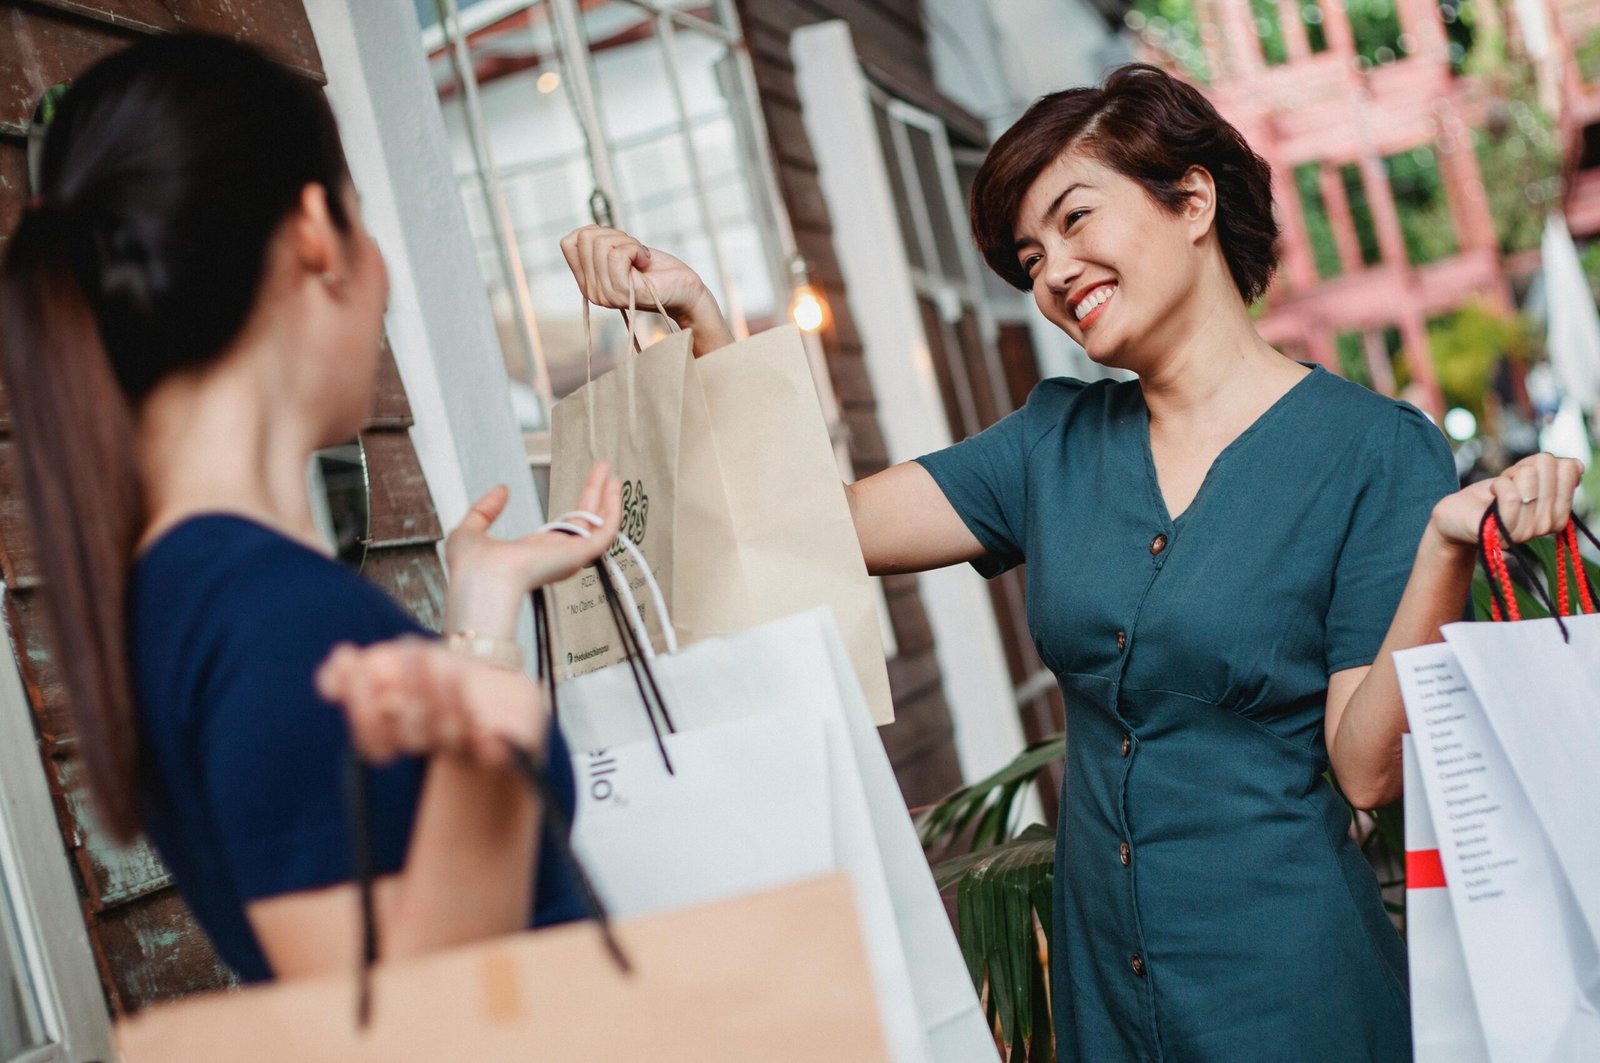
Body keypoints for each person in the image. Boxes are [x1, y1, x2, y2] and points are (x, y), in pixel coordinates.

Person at [562, 64, 1585, 1061]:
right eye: (1028, 254)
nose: (1050, 272)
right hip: (1102, 989)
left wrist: (1444, 549)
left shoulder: (1372, 448)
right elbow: (820, 528)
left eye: (1074, 220)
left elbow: (1364, 764)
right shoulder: (1050, 443)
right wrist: (701, 315)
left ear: (1191, 200)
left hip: (1288, 990)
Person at [0, 35, 621, 983]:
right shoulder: (272, 619)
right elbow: (405, 1028)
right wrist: (493, 754)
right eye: (363, 217)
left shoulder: (195, 595)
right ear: (317, 238)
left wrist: (481, 620)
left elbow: (391, 882)